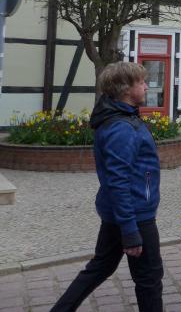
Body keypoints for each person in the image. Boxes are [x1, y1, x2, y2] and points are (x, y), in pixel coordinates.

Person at [51, 63, 163, 312]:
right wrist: (130, 231)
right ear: (125, 89)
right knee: (149, 279)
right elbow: (118, 181)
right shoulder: (121, 127)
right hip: (135, 214)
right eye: (141, 82)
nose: (146, 86)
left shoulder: (124, 118)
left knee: (101, 266)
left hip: (122, 212)